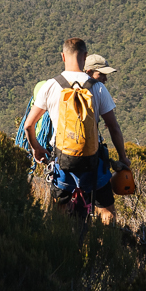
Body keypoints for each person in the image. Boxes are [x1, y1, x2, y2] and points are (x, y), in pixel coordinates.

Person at [23, 38, 130, 225]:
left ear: (63, 56)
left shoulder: (50, 86)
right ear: (85, 56)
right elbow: (113, 127)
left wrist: (36, 148)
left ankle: (66, 247)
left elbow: (28, 125)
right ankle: (106, 247)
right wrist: (123, 158)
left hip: (63, 161)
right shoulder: (98, 88)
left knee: (61, 212)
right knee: (107, 211)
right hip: (93, 162)